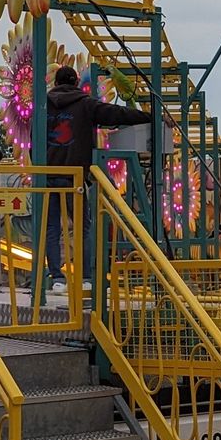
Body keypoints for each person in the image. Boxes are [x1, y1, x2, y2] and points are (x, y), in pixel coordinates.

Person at [43, 65, 152, 290]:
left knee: (51, 227)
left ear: (56, 83)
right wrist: (149, 117)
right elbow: (116, 114)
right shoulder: (85, 104)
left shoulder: (44, 106)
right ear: (76, 83)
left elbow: (35, 139)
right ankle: (85, 278)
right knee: (82, 227)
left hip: (47, 175)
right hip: (75, 176)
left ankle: (57, 278)